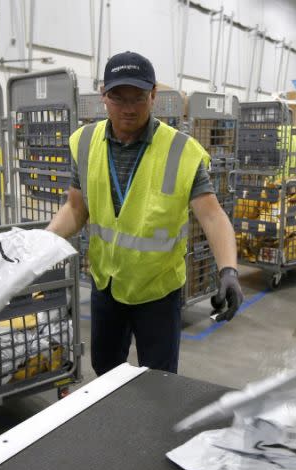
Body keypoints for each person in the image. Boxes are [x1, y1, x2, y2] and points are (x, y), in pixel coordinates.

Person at [46, 51, 242, 376]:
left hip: (157, 291)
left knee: (159, 381)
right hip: (106, 284)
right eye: (117, 97)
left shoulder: (181, 150)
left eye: (137, 97)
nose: (128, 107)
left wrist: (229, 271)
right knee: (105, 374)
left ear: (153, 95)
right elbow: (75, 208)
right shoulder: (84, 143)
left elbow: (212, 215)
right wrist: (43, 243)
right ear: (103, 96)